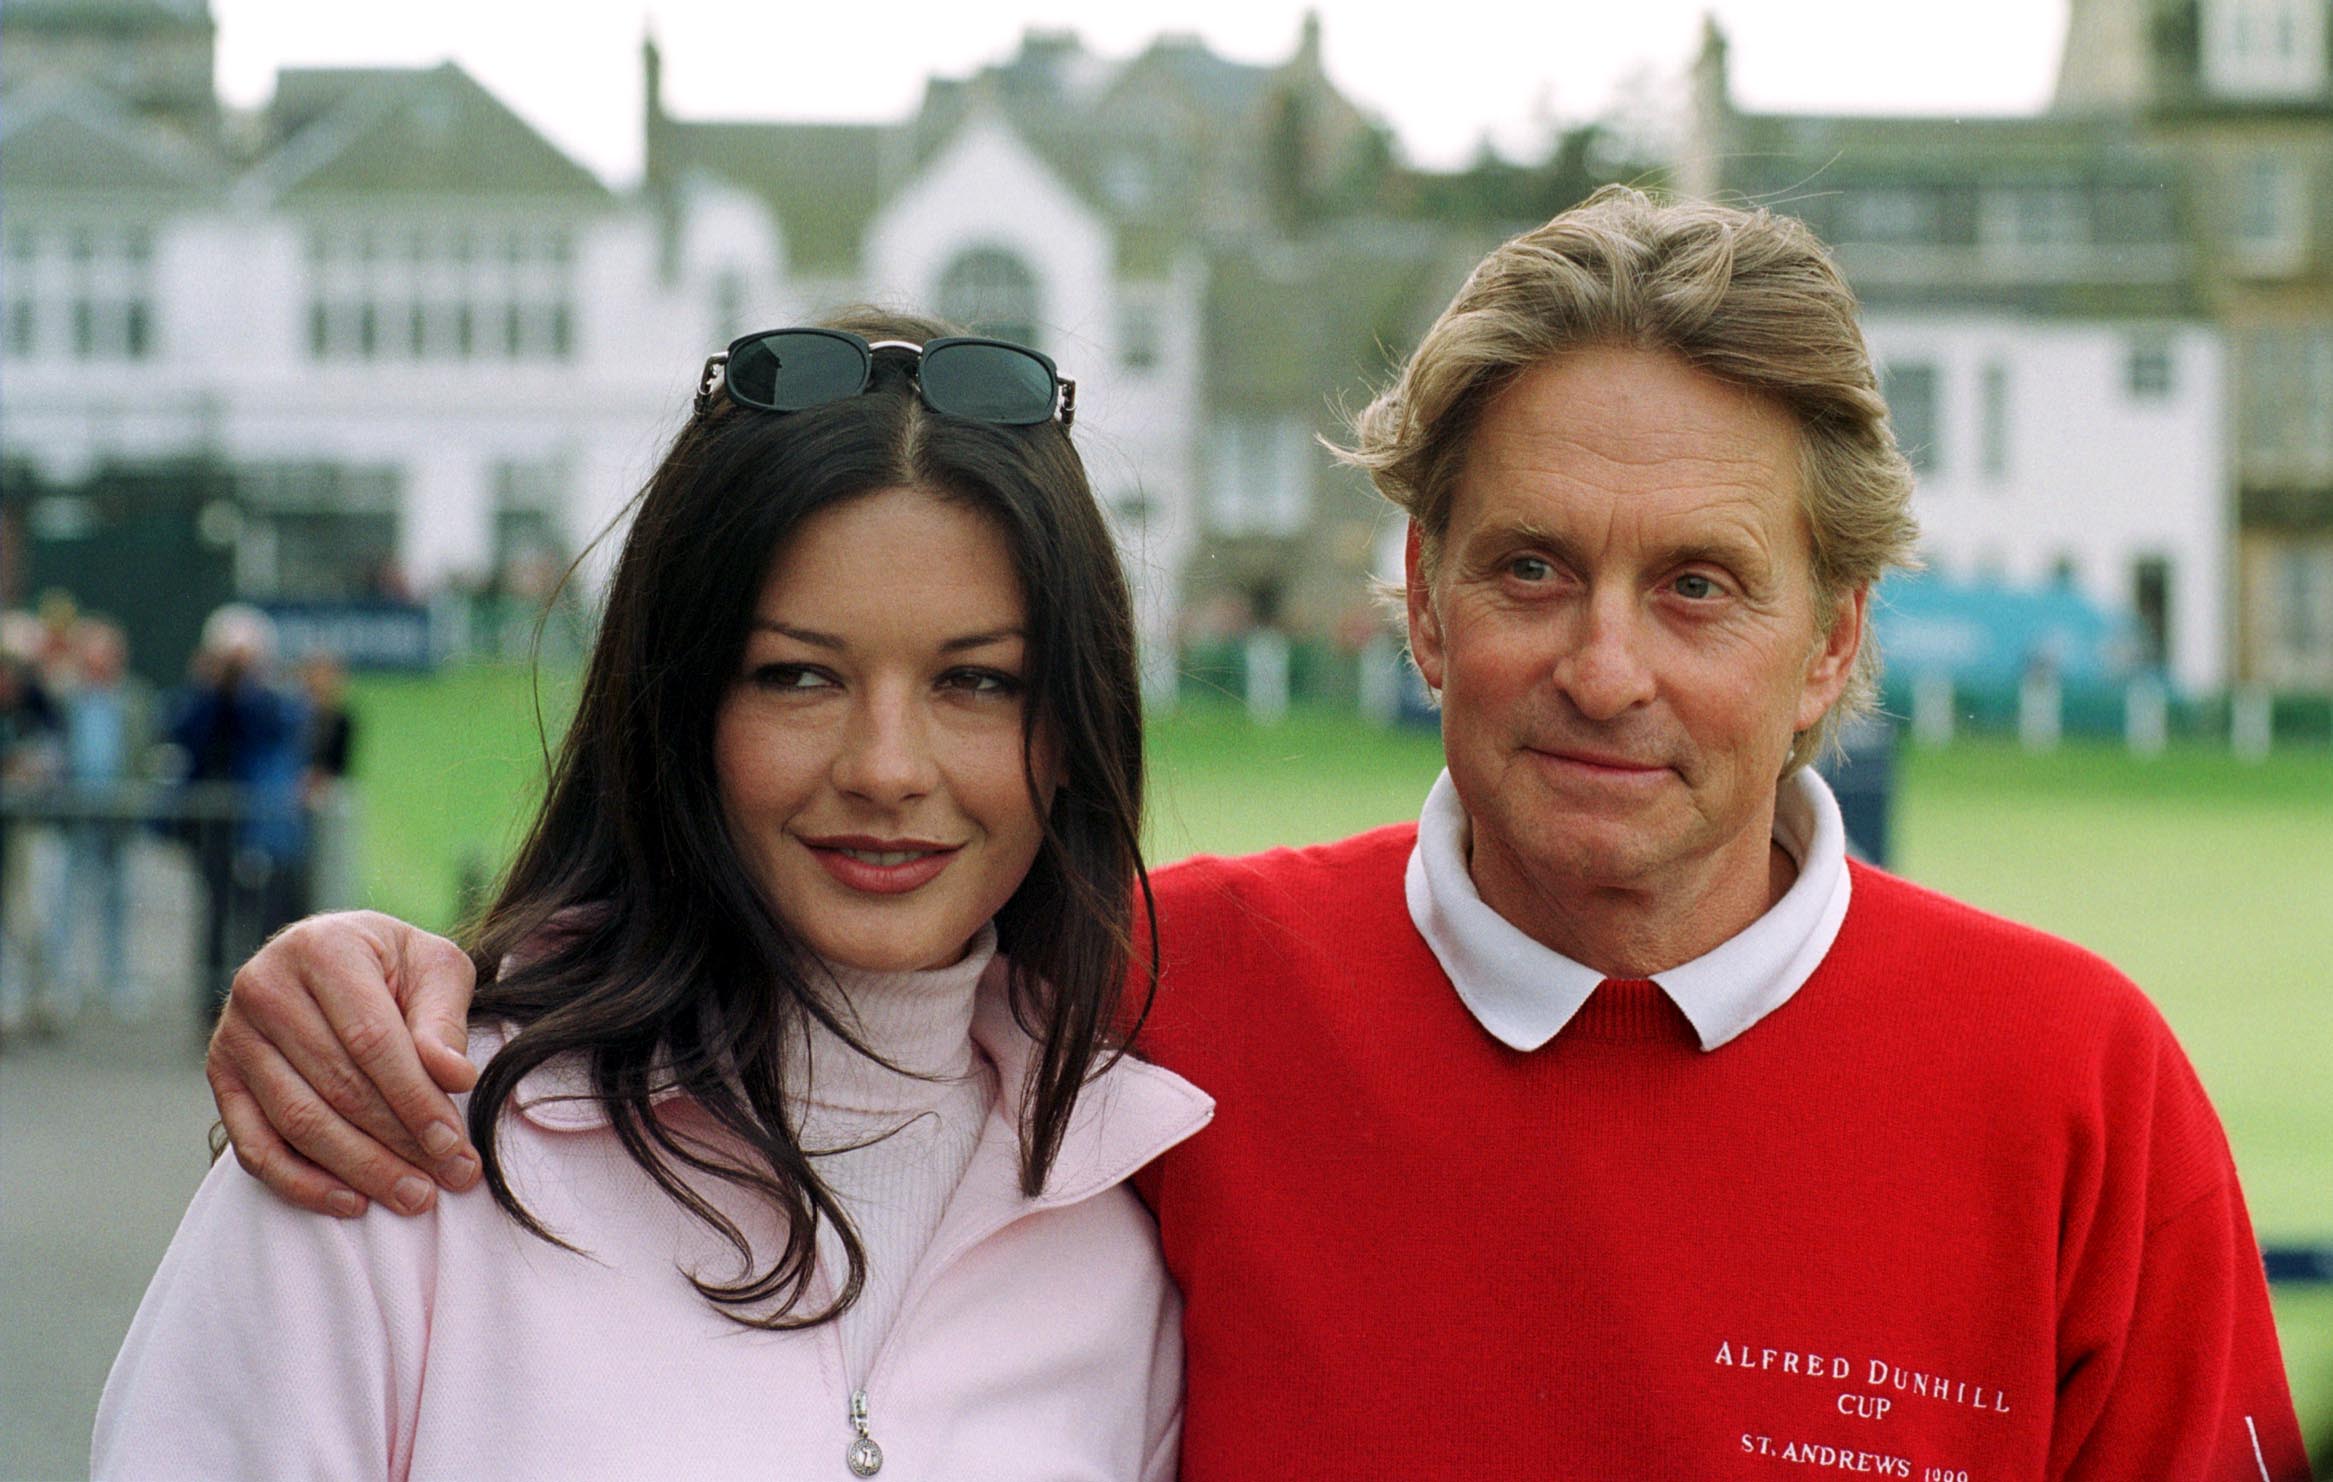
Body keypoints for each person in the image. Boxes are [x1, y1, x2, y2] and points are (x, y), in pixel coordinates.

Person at [202, 190, 2312, 1479]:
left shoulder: (2069, 1083)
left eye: (1696, 585)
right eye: (1522, 571)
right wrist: (379, 976)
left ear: (1832, 636)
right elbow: (768, 984)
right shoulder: (1134, 1003)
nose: (1600, 668)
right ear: (1409, 595)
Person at [98, 310, 1209, 1480]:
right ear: (677, 703)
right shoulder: (382, 1148)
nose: (886, 768)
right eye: (796, 675)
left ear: (1077, 730)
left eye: (977, 681)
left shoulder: (1126, 1241)